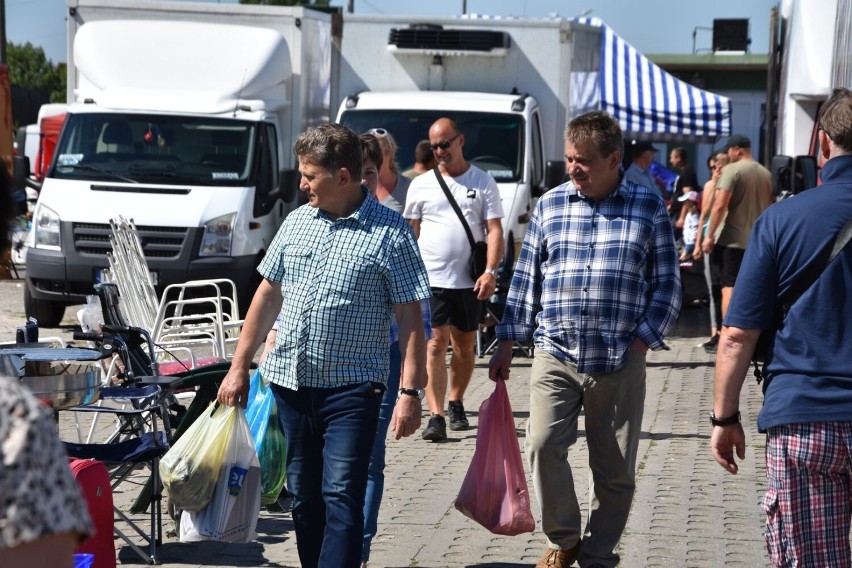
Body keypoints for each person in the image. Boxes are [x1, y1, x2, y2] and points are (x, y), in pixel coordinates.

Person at [216, 123, 431, 568]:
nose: (302, 183)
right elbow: (267, 295)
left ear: (344, 177)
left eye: (310, 175)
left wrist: (410, 393)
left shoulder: (391, 233)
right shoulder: (297, 222)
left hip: (353, 390)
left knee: (341, 495)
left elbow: (411, 319)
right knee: (305, 499)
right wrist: (239, 365)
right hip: (291, 385)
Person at [489, 110, 681, 568]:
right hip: (555, 351)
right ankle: (564, 538)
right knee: (541, 444)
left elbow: (668, 284)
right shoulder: (551, 204)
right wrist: (507, 339)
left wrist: (642, 339)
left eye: (584, 161)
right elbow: (526, 278)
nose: (573, 169)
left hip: (618, 356)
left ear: (615, 159)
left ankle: (598, 552)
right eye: (569, 159)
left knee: (613, 468)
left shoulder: (648, 206)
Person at [710, 87, 852, 567]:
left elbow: (736, 335)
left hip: (805, 419)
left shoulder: (781, 221)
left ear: (823, 145)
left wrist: (724, 418)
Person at [403, 117, 505, 441]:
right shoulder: (420, 184)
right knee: (434, 344)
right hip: (431, 278)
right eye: (434, 146)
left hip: (469, 281)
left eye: (445, 144)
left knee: (463, 346)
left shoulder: (483, 181)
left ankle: (456, 400)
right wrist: (405, 272)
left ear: (460, 141)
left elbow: (494, 230)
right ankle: (436, 416)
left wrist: (490, 271)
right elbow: (410, 231)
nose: (440, 151)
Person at [357, 132, 432, 567]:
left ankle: (359, 551)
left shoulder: (392, 225)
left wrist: (411, 384)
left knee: (369, 460)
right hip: (325, 365)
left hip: (381, 359)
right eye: (356, 173)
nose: (364, 183)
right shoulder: (310, 219)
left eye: (370, 173)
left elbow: (411, 313)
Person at [702, 134, 773, 320]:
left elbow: (719, 205)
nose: (728, 155)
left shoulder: (732, 170)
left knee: (729, 287)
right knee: (749, 288)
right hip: (756, 242)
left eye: (729, 151)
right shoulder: (766, 174)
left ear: (737, 150)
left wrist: (709, 236)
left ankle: (727, 333)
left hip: (731, 240)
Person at [692, 152, 729, 351]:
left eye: (718, 167)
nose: (715, 171)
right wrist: (698, 243)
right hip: (710, 239)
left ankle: (724, 331)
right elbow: (705, 213)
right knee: (713, 288)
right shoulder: (709, 186)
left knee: (726, 288)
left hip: (727, 240)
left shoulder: (733, 184)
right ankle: (714, 332)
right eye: (712, 168)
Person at [368, 128, 411, 209]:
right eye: (368, 153)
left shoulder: (408, 187)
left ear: (389, 153)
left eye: (376, 153)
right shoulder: (359, 186)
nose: (371, 159)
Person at [669, 147, 699, 240]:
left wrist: (682, 217)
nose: (670, 160)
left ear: (678, 158)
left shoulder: (687, 173)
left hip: (681, 215)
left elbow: (689, 196)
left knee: (676, 242)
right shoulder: (683, 172)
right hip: (676, 212)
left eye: (672, 157)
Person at [678, 190, 700, 262]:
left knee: (682, 258)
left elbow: (696, 227)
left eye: (685, 202)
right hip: (687, 240)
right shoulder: (690, 213)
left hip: (690, 242)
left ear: (690, 202)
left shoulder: (694, 214)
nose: (684, 204)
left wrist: (692, 241)